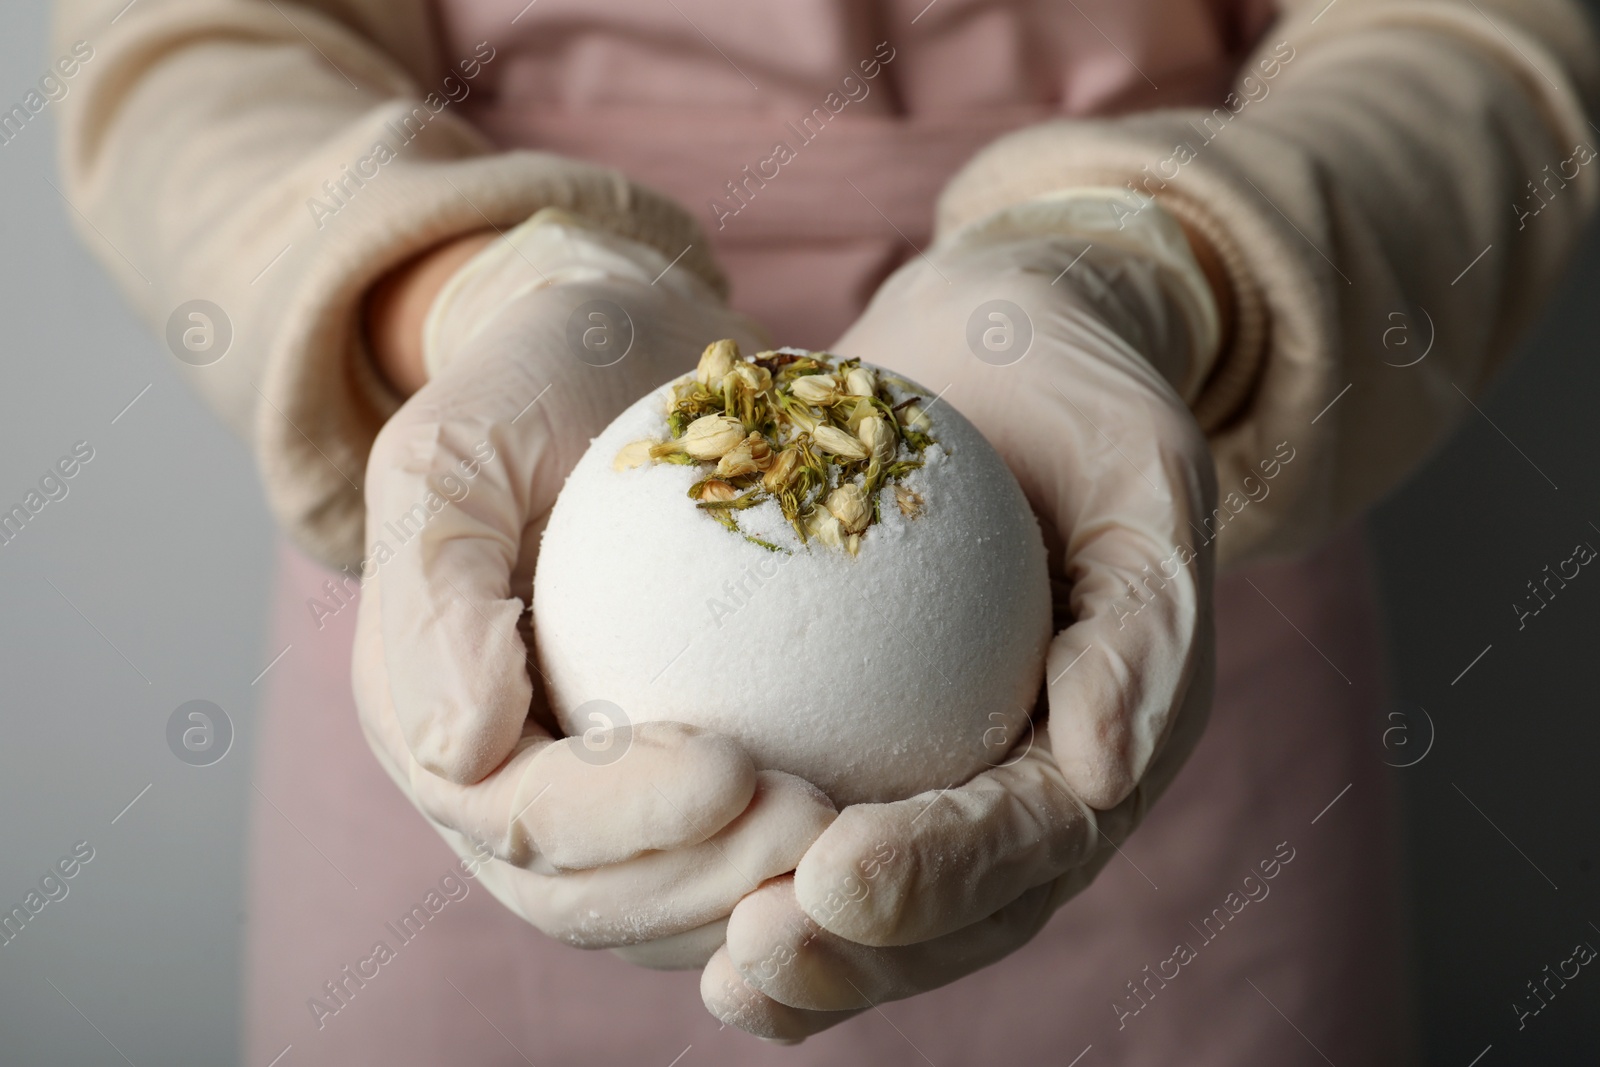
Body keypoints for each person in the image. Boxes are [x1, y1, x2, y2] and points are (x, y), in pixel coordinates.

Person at [53, 0, 1597, 1062]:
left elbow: (1475, 39)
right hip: (512, 535)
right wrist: (460, 292)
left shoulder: (1147, 378)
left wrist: (1152, 269)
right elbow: (190, 47)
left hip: (1144, 510)